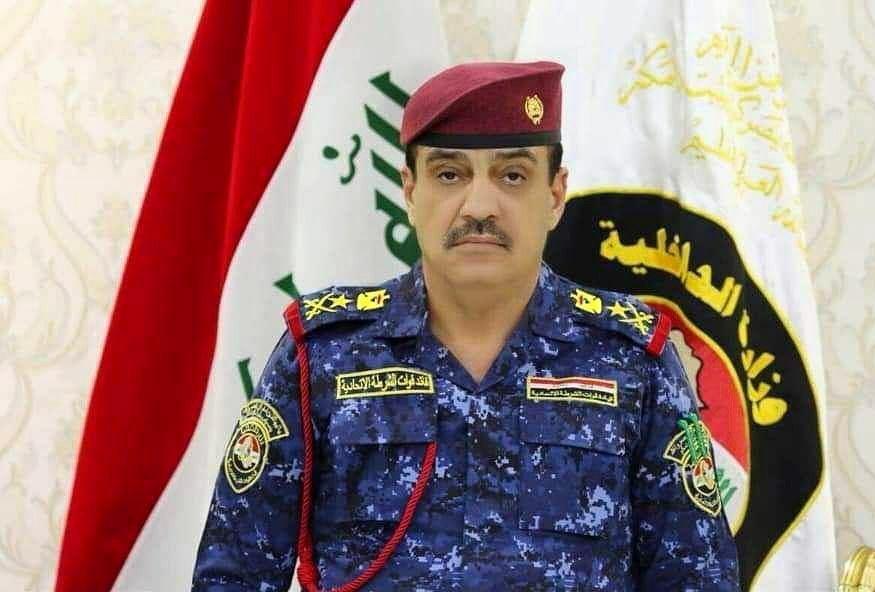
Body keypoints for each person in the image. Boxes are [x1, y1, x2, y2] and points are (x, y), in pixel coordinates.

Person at [192, 61, 740, 591]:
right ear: (410, 191)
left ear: (555, 196)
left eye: (513, 175)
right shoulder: (324, 354)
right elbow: (233, 575)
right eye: (449, 174)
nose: (479, 205)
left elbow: (698, 579)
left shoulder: (632, 359)